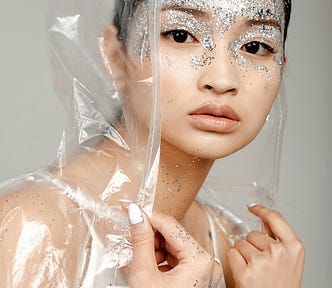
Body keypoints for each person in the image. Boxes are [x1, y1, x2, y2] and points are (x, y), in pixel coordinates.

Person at [0, 0, 304, 287]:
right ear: (117, 56)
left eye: (255, 46)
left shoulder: (235, 247)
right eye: (182, 35)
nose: (222, 79)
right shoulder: (31, 229)